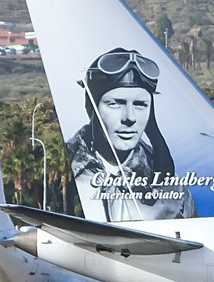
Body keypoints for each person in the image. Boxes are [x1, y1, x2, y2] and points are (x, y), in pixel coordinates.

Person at [66, 48, 196, 221]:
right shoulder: (66, 167)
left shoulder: (172, 187)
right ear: (93, 109)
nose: (129, 118)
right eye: (115, 104)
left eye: (140, 105)